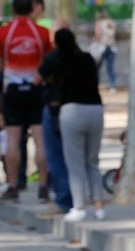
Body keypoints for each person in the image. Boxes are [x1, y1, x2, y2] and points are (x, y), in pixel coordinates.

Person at [0, 0, 54, 202]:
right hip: (37, 90)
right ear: (33, 8)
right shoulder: (42, 33)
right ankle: (44, 186)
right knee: (41, 141)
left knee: (13, 139)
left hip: (13, 91)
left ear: (13, 9)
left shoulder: (3, 33)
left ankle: (13, 185)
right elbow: (49, 63)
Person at [41, 28, 105, 221]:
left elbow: (46, 80)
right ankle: (99, 207)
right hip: (95, 109)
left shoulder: (60, 60)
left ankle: (78, 206)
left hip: (72, 110)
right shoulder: (87, 59)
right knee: (92, 161)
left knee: (74, 163)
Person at [92, 7, 118, 91]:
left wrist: (94, 42)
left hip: (102, 48)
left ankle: (95, 85)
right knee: (110, 68)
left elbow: (97, 35)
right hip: (112, 48)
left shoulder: (99, 23)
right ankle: (112, 86)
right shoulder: (112, 22)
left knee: (97, 68)